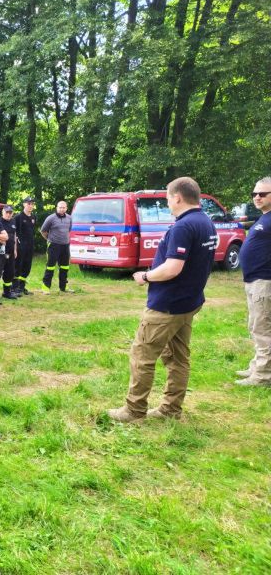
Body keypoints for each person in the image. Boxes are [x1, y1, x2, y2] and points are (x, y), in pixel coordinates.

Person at [108, 177, 218, 422]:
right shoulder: (206, 223)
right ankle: (171, 409)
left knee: (142, 356)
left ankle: (134, 411)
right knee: (178, 358)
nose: (167, 202)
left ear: (177, 197)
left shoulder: (183, 226)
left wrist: (145, 276)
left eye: (168, 197)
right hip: (189, 302)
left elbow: (172, 268)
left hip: (167, 305)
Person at [235, 176, 271, 388]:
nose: (256, 197)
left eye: (262, 194)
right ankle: (257, 366)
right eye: (254, 194)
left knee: (263, 329)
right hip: (254, 281)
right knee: (256, 325)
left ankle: (264, 376)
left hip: (264, 282)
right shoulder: (264, 217)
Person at [40, 200, 73, 294]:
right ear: (57, 208)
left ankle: (63, 287)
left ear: (66, 208)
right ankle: (45, 288)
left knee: (65, 267)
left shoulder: (69, 218)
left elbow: (68, 230)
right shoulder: (50, 218)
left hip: (65, 246)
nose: (62, 209)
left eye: (64, 207)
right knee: (50, 267)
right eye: (60, 207)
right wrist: (49, 239)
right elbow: (43, 231)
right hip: (53, 245)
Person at [14, 197, 37, 295]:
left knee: (27, 267)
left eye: (32, 204)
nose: (30, 206)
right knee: (18, 266)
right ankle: (14, 288)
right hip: (20, 246)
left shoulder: (34, 217)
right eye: (28, 204)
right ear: (24, 204)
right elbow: (14, 232)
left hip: (30, 246)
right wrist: (16, 246)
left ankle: (22, 287)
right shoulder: (18, 217)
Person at [0, 205, 19, 300]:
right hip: (1, 251)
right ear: (3, 212)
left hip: (11, 251)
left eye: (10, 213)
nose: (8, 214)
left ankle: (7, 292)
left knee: (10, 272)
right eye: (7, 212)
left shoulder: (13, 221)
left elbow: (14, 235)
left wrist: (15, 249)